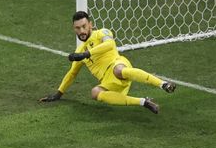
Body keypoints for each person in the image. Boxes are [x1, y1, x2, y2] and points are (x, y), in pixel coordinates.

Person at [38, 11, 176, 115]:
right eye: (77, 28)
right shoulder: (79, 50)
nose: (81, 31)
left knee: (119, 70)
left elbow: (110, 44)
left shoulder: (102, 33)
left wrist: (86, 54)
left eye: (84, 26)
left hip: (118, 64)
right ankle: (143, 102)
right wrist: (58, 94)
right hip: (108, 81)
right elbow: (72, 73)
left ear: (90, 24)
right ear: (74, 29)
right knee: (95, 92)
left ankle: (163, 84)